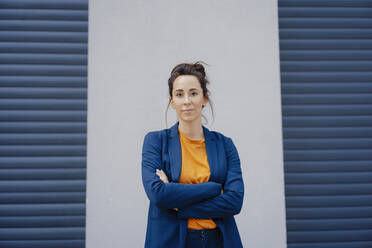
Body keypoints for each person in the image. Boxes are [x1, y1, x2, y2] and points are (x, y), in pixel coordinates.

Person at [141, 61, 244, 248]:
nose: (187, 101)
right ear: (172, 101)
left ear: (204, 98)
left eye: (193, 93)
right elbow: (158, 194)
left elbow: (234, 201)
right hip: (172, 241)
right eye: (179, 94)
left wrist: (179, 206)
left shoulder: (225, 145)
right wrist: (213, 189)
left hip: (218, 240)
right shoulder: (155, 142)